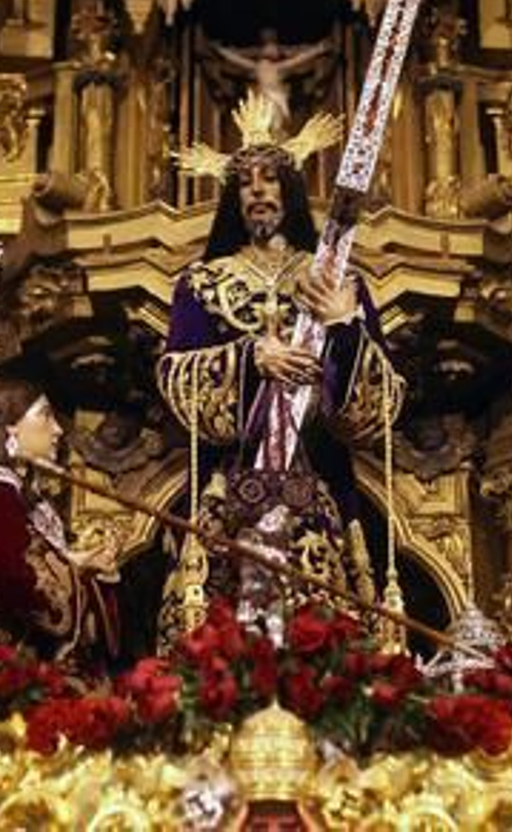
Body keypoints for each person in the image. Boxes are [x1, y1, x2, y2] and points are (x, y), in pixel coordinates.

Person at [158, 89, 404, 634]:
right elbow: (176, 375)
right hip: (230, 485)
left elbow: (381, 401)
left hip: (313, 480)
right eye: (246, 182)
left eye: (269, 179)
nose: (257, 191)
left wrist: (345, 326)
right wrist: (252, 359)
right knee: (224, 630)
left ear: (290, 190)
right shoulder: (202, 284)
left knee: (323, 627)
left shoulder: (336, 279)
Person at [0, 383, 120, 665]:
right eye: (45, 416)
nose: (58, 430)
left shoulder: (19, 496)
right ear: (11, 429)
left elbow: (21, 559)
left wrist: (79, 564)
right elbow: (10, 578)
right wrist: (73, 574)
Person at [210, 28, 333, 130]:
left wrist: (319, 48)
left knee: (276, 123)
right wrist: (220, 51)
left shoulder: (279, 67)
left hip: (277, 98)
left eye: (275, 47)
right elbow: (237, 60)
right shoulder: (258, 67)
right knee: (262, 122)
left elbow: (300, 59)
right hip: (262, 98)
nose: (272, 49)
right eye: (267, 47)